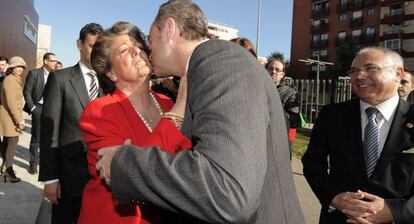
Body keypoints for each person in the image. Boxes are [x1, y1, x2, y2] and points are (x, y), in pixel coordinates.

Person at [96, 0, 305, 223]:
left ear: (169, 29)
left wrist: (124, 162)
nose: (148, 49)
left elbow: (227, 192)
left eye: (150, 39)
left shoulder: (219, 61)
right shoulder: (205, 68)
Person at [77, 21, 192, 224]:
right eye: (124, 50)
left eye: (139, 47)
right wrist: (179, 109)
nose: (136, 52)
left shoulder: (167, 103)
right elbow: (134, 173)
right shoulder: (100, 111)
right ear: (111, 73)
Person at [302, 47, 414, 223]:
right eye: (354, 71)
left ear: (398, 73)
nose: (359, 76)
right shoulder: (332, 115)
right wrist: (334, 198)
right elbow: (312, 162)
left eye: (371, 68)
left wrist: (396, 211)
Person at [39, 23, 103, 224]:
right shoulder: (61, 79)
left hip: (101, 179)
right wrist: (50, 178)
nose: (96, 52)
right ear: (79, 44)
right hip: (69, 178)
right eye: (92, 46)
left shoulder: (109, 82)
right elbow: (50, 131)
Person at [23, 52, 57, 175]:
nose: (55, 63)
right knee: (36, 137)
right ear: (45, 61)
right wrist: (33, 108)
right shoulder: (34, 73)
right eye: (52, 61)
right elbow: (27, 92)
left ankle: (45, 162)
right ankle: (33, 164)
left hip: (51, 110)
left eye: (55, 61)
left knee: (48, 138)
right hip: (38, 108)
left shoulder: (56, 75)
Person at [0, 56, 26, 182]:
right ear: (11, 67)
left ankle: (4, 167)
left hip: (10, 116)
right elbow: (11, 102)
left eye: (22, 67)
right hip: (10, 117)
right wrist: (19, 120)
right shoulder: (10, 80)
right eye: (17, 66)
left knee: (7, 143)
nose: (20, 69)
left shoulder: (15, 79)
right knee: (12, 144)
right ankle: (8, 170)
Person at [266, 59, 300, 151]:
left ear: (282, 74)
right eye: (270, 68)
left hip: (279, 142)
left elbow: (293, 121)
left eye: (277, 70)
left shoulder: (290, 93)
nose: (273, 71)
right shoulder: (257, 89)